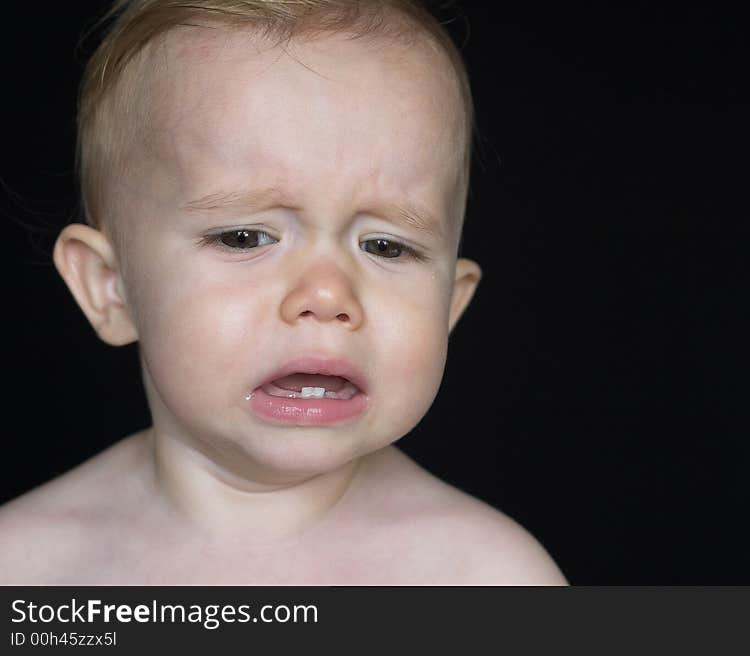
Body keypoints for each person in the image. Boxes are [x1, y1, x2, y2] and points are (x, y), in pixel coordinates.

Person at [0, 0, 566, 584]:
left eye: (387, 247)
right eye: (245, 237)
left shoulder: (485, 579)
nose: (326, 294)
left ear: (450, 304)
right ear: (110, 288)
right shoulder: (26, 567)